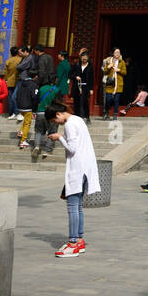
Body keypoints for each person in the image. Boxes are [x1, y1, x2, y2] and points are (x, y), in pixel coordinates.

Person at [47, 102, 100, 255]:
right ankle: (79, 239)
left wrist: (59, 138)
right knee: (77, 206)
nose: (55, 124)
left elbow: (72, 148)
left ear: (58, 114)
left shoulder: (69, 124)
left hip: (77, 169)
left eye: (53, 121)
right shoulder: (78, 119)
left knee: (72, 207)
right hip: (85, 167)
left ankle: (73, 242)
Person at [32, 73, 61, 159]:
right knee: (52, 131)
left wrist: (34, 111)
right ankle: (47, 150)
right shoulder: (57, 90)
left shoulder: (41, 88)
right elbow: (58, 104)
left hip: (40, 113)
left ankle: (37, 146)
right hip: (51, 114)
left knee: (38, 131)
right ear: (55, 80)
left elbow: (36, 100)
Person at [15, 68, 39, 149]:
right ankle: (23, 141)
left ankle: (21, 132)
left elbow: (17, 94)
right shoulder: (34, 85)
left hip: (20, 106)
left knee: (25, 121)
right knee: (28, 123)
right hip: (28, 107)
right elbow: (34, 97)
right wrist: (34, 110)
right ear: (35, 77)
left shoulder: (22, 83)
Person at [101, 48, 126, 119]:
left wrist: (119, 70)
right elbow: (104, 72)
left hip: (118, 84)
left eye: (119, 52)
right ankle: (106, 112)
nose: (117, 54)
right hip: (110, 83)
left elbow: (125, 72)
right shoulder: (109, 61)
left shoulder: (122, 62)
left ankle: (115, 114)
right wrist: (108, 67)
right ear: (113, 54)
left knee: (116, 100)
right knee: (108, 99)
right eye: (116, 52)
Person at [71, 49, 94, 120]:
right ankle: (77, 116)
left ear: (88, 58)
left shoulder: (90, 67)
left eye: (85, 57)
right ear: (80, 58)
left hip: (85, 87)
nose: (84, 58)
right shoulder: (76, 65)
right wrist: (75, 77)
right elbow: (70, 74)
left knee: (84, 101)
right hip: (77, 86)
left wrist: (91, 89)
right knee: (76, 101)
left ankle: (86, 116)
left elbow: (91, 79)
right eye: (83, 57)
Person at [3, 46, 21, 117]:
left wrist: (6, 79)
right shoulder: (20, 60)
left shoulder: (8, 61)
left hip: (10, 81)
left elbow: (6, 73)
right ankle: (16, 112)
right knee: (16, 97)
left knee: (10, 98)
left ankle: (10, 112)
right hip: (18, 81)